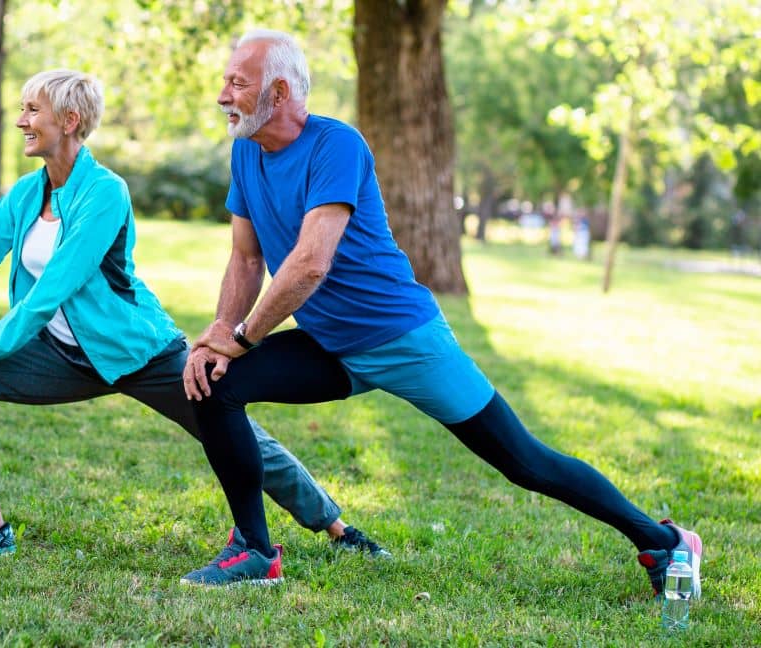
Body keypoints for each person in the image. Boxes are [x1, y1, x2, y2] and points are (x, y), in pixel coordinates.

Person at [180, 30, 703, 592]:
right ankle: (255, 551)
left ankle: (664, 541)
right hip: (329, 346)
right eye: (226, 81)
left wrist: (244, 335)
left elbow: (310, 264)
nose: (223, 95)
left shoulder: (337, 146)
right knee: (215, 384)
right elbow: (245, 256)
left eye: (238, 82)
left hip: (402, 338)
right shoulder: (245, 152)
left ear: (279, 92)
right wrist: (217, 339)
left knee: (523, 461)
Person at [0, 68, 388, 560]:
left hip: (139, 352)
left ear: (68, 120)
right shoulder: (25, 195)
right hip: (60, 355)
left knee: (233, 432)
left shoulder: (105, 192)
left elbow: (54, 287)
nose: (21, 120)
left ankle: (336, 526)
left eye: (31, 110)